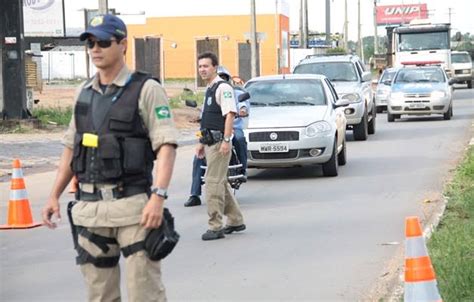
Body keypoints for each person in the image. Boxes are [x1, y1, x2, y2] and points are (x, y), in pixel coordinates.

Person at [41, 14, 178, 302]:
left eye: (103, 41)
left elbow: (166, 145)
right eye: (90, 43)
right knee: (100, 295)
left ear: (123, 45)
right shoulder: (83, 93)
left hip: (134, 207)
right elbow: (71, 147)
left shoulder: (146, 89)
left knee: (145, 293)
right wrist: (53, 195)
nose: (95, 49)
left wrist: (159, 196)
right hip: (90, 210)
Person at [195, 52, 245, 240]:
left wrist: (226, 140)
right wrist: (200, 142)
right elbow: (207, 119)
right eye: (200, 66)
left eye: (206, 66)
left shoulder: (223, 88)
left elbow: (230, 115)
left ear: (215, 67)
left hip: (218, 143)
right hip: (209, 142)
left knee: (212, 183)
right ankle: (235, 220)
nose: (202, 70)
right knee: (220, 182)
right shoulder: (210, 88)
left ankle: (215, 226)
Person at [184, 66, 249, 207]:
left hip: (232, 129)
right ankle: (194, 194)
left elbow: (241, 106)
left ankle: (243, 169)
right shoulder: (209, 92)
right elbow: (205, 112)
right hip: (210, 131)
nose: (221, 81)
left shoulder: (234, 93)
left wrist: (242, 110)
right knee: (198, 157)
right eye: (219, 77)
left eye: (224, 78)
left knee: (239, 139)